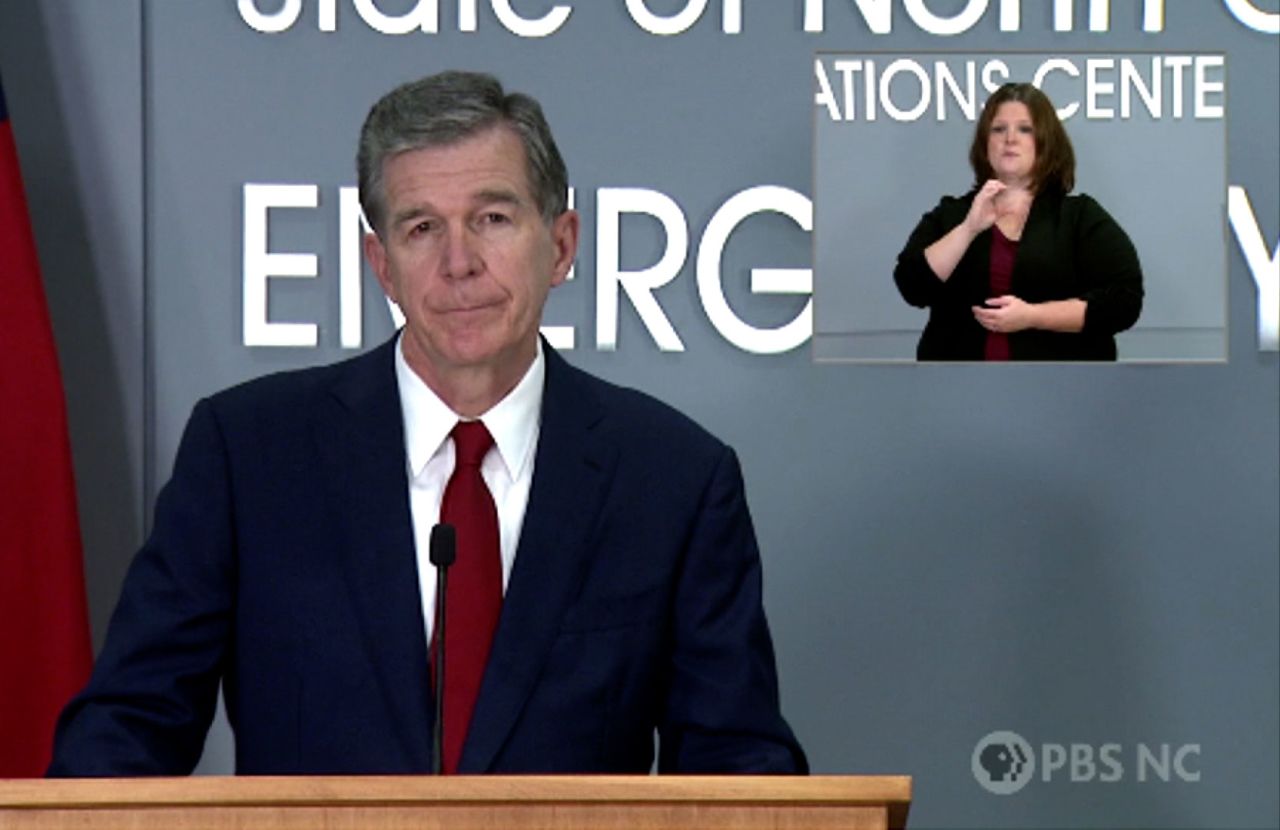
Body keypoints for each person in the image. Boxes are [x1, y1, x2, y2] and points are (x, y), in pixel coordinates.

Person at [47, 71, 806, 776]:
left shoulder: (672, 479)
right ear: (381, 265)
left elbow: (740, 768)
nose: (459, 262)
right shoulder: (249, 456)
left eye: (493, 218)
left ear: (563, 245)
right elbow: (126, 731)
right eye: (420, 229)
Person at [893, 82, 1143, 361]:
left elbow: (1124, 301)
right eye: (998, 129)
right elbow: (911, 285)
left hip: (1063, 391)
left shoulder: (1079, 216)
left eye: (1025, 129)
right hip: (959, 391)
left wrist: (1033, 316)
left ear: (1046, 143)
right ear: (985, 142)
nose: (1010, 138)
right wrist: (968, 229)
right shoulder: (952, 214)